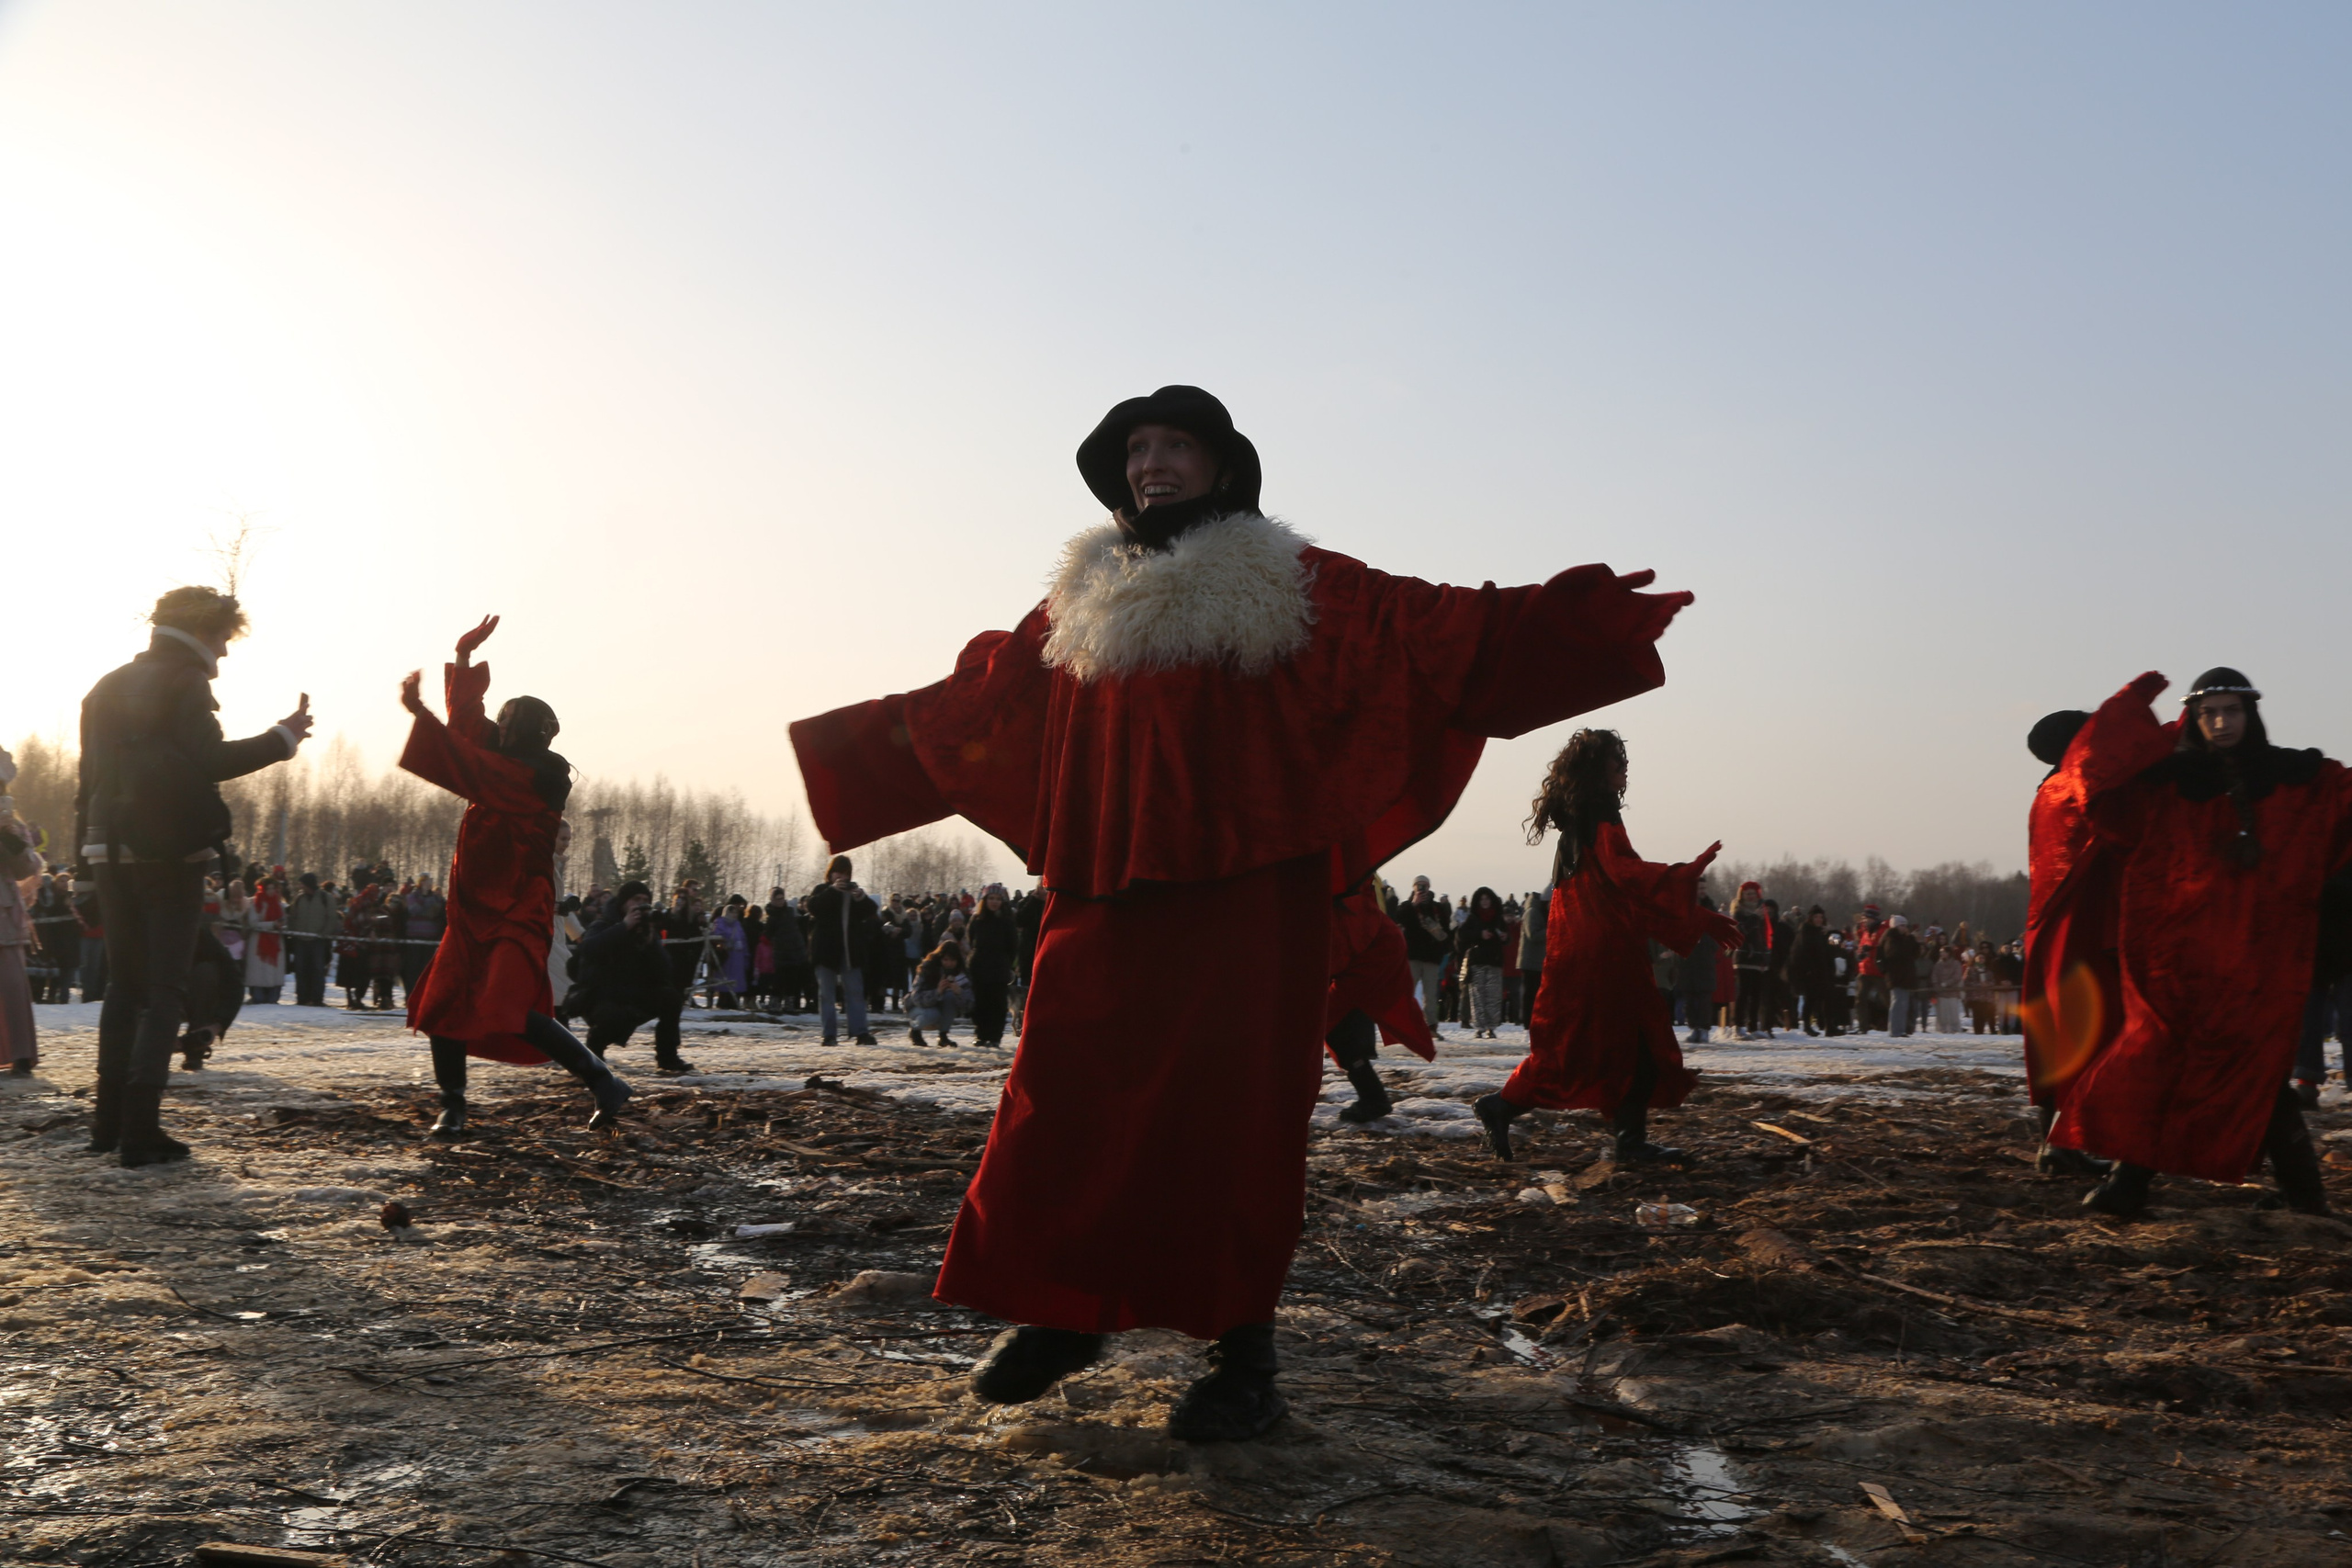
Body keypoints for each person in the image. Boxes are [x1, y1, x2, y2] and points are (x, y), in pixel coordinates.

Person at [791, 384, 1692, 1439]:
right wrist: (857, 748)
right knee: (1061, 1108)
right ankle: (1064, 1312)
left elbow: (1434, 632)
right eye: (1137, 447)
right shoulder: (1075, 610)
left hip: (1246, 913)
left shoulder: (1291, 585)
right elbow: (972, 713)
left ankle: (1242, 1361)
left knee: (1230, 1129)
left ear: (1223, 466)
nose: (1152, 463)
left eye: (1177, 445)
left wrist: (1568, 622)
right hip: (1105, 905)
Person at [2045, 670, 2346, 1217]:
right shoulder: (2164, 783)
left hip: (2259, 961)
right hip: (2177, 960)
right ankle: (2128, 1184)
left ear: (2249, 714)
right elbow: (2094, 784)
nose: (2221, 722)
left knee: (2257, 1071)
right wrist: (2129, 705)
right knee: (2154, 1064)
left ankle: (2306, 1196)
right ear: (2195, 718)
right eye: (2209, 713)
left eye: (2231, 711)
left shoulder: (2298, 778)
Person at [74, 585, 313, 1164]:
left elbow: (87, 783)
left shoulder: (104, 685)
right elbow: (213, 761)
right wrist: (283, 738)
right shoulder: (187, 683)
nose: (225, 653)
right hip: (171, 854)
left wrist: (84, 871)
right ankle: (140, 1131)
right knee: (166, 990)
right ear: (202, 631)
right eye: (223, 638)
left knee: (123, 987)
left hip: (107, 851)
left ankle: (106, 1126)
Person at [396, 616, 631, 1138]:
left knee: (508, 1007)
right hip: (472, 906)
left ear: (529, 733)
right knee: (445, 1003)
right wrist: (461, 659)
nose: (498, 729)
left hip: (517, 906)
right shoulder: (503, 755)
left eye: (507, 724)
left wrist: (419, 714)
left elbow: (474, 763)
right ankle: (453, 1104)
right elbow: (466, 728)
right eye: (499, 721)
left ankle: (602, 1079)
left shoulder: (545, 776)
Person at [1476, 729, 1737, 1165]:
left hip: (1584, 948)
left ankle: (1511, 1108)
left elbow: (1616, 887)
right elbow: (1625, 874)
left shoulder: (1579, 818)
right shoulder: (1598, 814)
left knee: (1591, 1044)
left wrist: (1696, 913)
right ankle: (1621, 1139)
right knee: (1623, 1041)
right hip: (1601, 952)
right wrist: (1684, 879)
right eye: (1619, 763)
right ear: (1599, 770)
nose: (1626, 769)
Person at [573, 880, 696, 1071]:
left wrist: (650, 945)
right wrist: (623, 927)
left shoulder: (647, 929)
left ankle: (668, 1057)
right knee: (613, 1016)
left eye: (645, 900)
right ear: (623, 902)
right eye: (635, 899)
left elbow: (665, 970)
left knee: (671, 998)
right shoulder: (604, 923)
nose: (640, 903)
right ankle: (595, 1048)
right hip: (601, 994)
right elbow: (588, 950)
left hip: (635, 992)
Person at [807, 855, 881, 1046]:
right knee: (826, 994)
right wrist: (832, 891)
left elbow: (872, 910)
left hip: (851, 952)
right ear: (831, 873)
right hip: (825, 951)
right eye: (838, 872)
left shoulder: (854, 894)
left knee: (855, 992)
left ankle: (860, 1032)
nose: (842, 876)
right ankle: (829, 1034)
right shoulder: (822, 890)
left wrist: (861, 898)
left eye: (846, 873)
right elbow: (813, 906)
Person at [0, 785, 46, 1076]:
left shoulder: (12, 826)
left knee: (13, 985)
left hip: (3, 915)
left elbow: (27, 868)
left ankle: (20, 1054)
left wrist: (10, 839)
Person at [1396, 878, 1453, 1035]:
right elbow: (1398, 919)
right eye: (1419, 886)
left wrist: (1442, 950)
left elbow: (1446, 930)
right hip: (1412, 956)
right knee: (1407, 991)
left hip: (1431, 957)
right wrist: (1413, 904)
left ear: (1429, 888)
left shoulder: (1437, 908)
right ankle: (1404, 1024)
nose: (1422, 889)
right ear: (1413, 887)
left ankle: (1431, 1026)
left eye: (1424, 886)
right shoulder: (1407, 906)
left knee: (1430, 994)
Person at [1453, 887, 1511, 1039]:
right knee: (1477, 996)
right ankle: (1479, 1027)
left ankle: (1491, 1027)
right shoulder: (1473, 918)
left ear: (1491, 901)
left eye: (1487, 899)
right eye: (1482, 899)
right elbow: (1461, 935)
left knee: (1493, 996)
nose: (1485, 902)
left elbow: (1507, 938)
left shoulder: (1498, 919)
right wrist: (1480, 935)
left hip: (1494, 961)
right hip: (1477, 962)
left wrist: (1505, 937)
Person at [966, 886, 1018, 1049]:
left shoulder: (1007, 921)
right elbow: (971, 939)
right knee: (980, 1003)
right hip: (979, 966)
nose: (994, 902)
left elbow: (1013, 946)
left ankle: (995, 1036)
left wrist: (1008, 965)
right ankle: (981, 1035)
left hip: (999, 967)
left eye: (997, 899)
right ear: (985, 900)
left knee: (997, 1004)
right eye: (991, 898)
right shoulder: (976, 919)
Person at [908, 938, 975, 1046]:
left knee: (950, 996)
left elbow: (969, 1006)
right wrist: (937, 992)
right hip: (920, 1009)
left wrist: (959, 993)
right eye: (946, 960)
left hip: (941, 1012)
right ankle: (915, 1031)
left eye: (953, 960)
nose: (949, 963)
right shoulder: (928, 969)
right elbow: (916, 997)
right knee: (933, 1014)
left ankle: (943, 1035)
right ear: (940, 958)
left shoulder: (961, 975)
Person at [1729, 882, 1772, 1039]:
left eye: (1753, 893)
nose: (1751, 896)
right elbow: (1741, 931)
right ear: (1742, 896)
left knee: (1756, 994)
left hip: (1758, 958)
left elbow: (1764, 936)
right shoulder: (1738, 912)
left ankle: (1753, 1026)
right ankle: (1738, 1026)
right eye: (1747, 894)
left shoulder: (1761, 913)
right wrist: (1755, 917)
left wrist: (1765, 956)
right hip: (1744, 957)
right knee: (1744, 993)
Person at [1677, 900, 1722, 1044]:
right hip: (1688, 962)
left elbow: (1717, 938)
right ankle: (1693, 1027)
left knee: (1704, 998)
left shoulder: (1710, 913)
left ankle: (1703, 1029)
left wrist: (1703, 942)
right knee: (1689, 998)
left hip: (1704, 962)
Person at [1785, 907, 1835, 1037]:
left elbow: (1831, 947)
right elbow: (1803, 951)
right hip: (1810, 971)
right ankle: (1808, 1025)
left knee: (1827, 998)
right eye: (1816, 917)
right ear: (1811, 918)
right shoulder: (1806, 931)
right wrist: (1807, 969)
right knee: (1811, 999)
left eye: (1820, 917)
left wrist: (1828, 934)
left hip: (1822, 970)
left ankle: (1829, 1025)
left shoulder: (1821, 932)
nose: (1818, 920)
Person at [244, 875, 287, 1004]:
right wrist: (272, 924)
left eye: (273, 888)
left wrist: (281, 925)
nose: (271, 891)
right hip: (259, 943)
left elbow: (285, 921)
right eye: (268, 888)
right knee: (259, 974)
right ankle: (257, 995)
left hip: (275, 943)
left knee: (273, 973)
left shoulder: (279, 905)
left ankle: (273, 995)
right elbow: (253, 923)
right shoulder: (255, 903)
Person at [1880, 915, 1921, 1037]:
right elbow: (1898, 953)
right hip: (1897, 976)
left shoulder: (1903, 938)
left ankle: (1900, 1029)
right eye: (1902, 925)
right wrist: (1910, 940)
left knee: (1903, 1004)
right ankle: (1895, 1030)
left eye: (1905, 925)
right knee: (1898, 1003)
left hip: (1904, 976)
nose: (1905, 928)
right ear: (1896, 926)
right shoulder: (1891, 938)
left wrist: (1915, 941)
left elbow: (1914, 954)